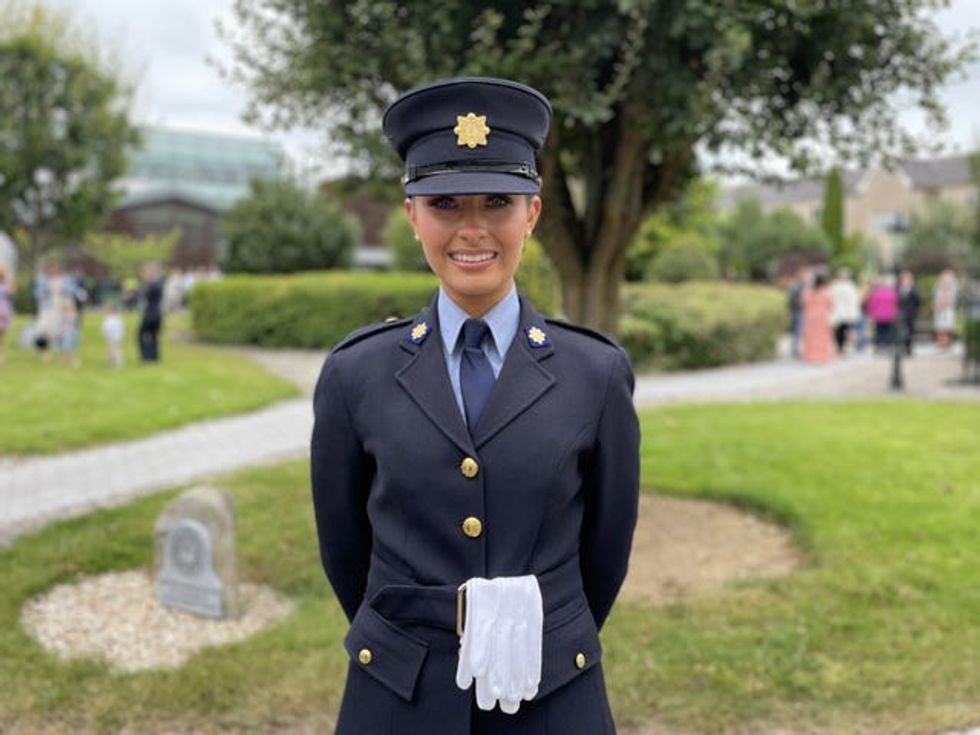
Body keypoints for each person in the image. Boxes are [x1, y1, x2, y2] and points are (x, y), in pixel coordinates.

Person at [310, 78, 640, 735]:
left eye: (497, 201)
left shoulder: (594, 373)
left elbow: (605, 549)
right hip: (399, 691)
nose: (471, 228)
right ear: (411, 217)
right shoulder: (356, 374)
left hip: (550, 692)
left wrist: (546, 630)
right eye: (443, 203)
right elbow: (344, 549)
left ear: (533, 213)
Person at [801, 272, 834, 363]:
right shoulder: (826, 291)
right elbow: (831, 303)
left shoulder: (808, 291)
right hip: (822, 315)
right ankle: (822, 355)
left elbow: (804, 303)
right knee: (823, 336)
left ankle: (809, 355)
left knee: (810, 336)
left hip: (810, 315)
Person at [830, 267, 860, 354]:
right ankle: (842, 347)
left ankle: (841, 347)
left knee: (841, 331)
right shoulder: (850, 286)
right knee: (844, 331)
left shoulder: (835, 286)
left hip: (841, 312)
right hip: (845, 312)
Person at [138, 262, 164, 362]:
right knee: (153, 335)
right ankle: (154, 356)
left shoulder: (152, 284)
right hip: (156, 312)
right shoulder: (158, 283)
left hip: (151, 313)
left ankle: (146, 356)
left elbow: (145, 295)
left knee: (141, 334)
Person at [866, 273, 898, 352]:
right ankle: (887, 345)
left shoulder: (876, 293)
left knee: (879, 331)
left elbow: (872, 304)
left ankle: (879, 346)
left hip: (879, 316)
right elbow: (896, 304)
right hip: (889, 315)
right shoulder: (892, 293)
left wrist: (871, 313)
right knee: (888, 331)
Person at [933, 268, 959, 349]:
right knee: (940, 327)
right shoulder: (937, 285)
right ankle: (940, 343)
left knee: (948, 327)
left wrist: (945, 301)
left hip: (948, 309)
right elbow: (935, 297)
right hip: (939, 309)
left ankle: (947, 343)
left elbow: (953, 298)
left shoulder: (954, 285)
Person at [898, 270, 921, 356]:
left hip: (911, 314)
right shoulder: (898, 288)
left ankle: (909, 348)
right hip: (901, 314)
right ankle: (902, 347)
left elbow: (918, 301)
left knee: (910, 331)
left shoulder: (914, 289)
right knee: (901, 331)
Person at [786, 269, 806, 358]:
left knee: (798, 331)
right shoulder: (797, 286)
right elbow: (793, 300)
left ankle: (797, 349)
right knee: (797, 331)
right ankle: (795, 349)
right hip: (798, 310)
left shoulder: (797, 285)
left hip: (797, 310)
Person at [101, 302, 125, 368]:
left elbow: (109, 328)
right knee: (111, 349)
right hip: (112, 337)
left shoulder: (113, 319)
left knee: (116, 350)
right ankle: (109, 361)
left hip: (114, 336)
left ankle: (119, 362)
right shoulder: (113, 318)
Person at [0, 264, 14, 366]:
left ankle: (1, 356)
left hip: (5, 310)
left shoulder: (6, 284)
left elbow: (11, 293)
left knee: (2, 336)